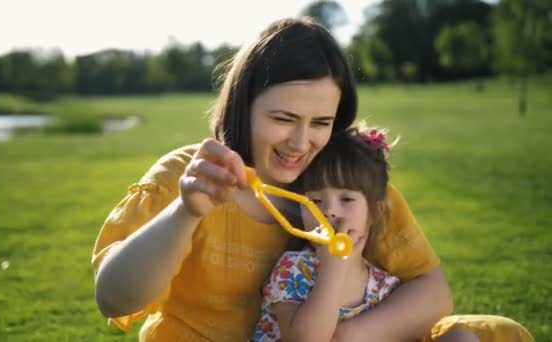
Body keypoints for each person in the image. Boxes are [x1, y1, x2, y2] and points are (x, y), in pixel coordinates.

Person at [92, 17, 534, 342]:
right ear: (243, 106)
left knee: (482, 336)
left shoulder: (341, 181)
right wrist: (185, 212)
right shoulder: (192, 174)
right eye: (283, 118)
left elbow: (432, 291)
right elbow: (114, 298)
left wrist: (348, 335)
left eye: (321, 122)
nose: (301, 143)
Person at [252, 127, 478, 342]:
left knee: (462, 338)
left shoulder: (384, 285)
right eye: (315, 201)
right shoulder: (293, 269)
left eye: (347, 199)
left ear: (375, 212)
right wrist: (333, 269)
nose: (329, 211)